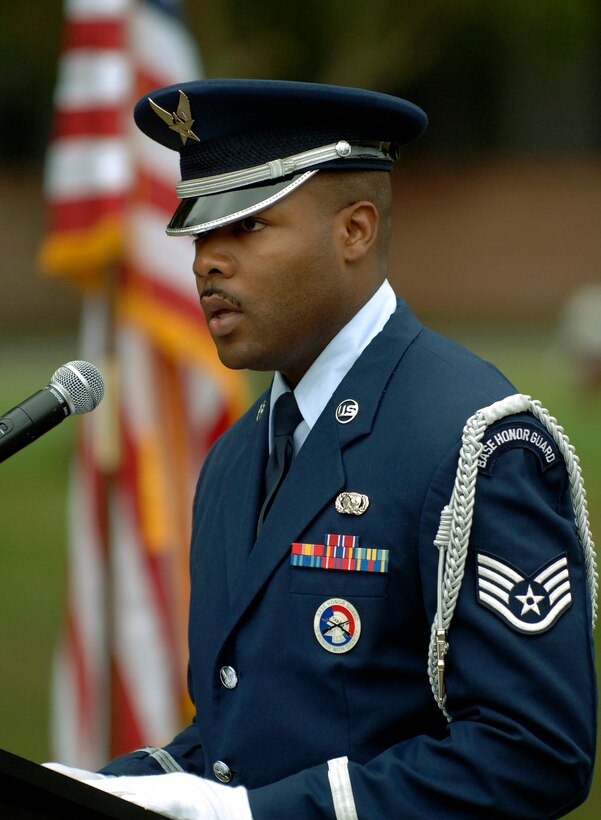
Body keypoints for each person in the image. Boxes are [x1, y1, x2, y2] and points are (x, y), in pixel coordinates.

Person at [47, 80, 597, 819]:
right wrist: (105, 791)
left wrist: (256, 815)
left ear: (355, 231)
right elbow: (251, 730)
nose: (208, 262)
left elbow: (532, 749)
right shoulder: (239, 454)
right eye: (200, 234)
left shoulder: (470, 437)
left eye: (246, 227)